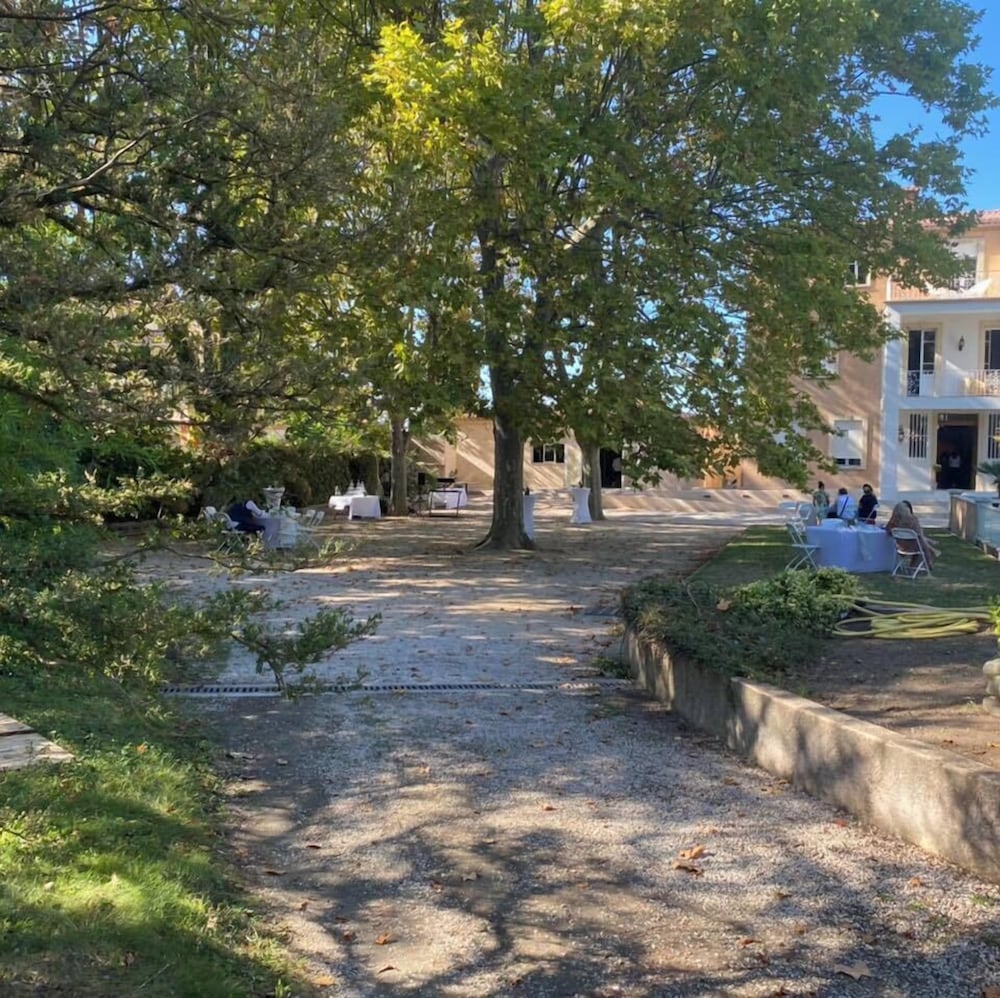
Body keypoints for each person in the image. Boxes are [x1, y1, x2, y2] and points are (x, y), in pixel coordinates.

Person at [885, 500, 940, 569]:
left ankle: (927, 555)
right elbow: (919, 535)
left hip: (900, 547)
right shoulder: (913, 520)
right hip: (913, 547)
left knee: (920, 542)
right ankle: (928, 561)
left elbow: (888, 531)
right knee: (922, 544)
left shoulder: (893, 522)